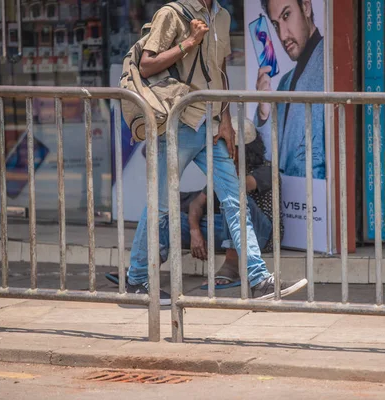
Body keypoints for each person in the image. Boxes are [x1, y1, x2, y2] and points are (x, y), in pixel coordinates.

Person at [127, 0, 305, 305]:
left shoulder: (221, 15)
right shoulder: (171, 13)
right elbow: (146, 64)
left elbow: (219, 71)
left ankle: (259, 278)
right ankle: (138, 279)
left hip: (209, 125)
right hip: (177, 123)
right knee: (161, 207)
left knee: (235, 199)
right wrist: (189, 42)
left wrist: (225, 120)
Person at [107, 118, 283, 291]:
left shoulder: (265, 170)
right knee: (168, 219)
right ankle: (144, 271)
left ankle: (232, 265)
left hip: (262, 235)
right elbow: (197, 204)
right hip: (225, 229)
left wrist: (227, 167)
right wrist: (194, 231)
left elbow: (240, 187)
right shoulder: (222, 172)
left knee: (234, 199)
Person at [254, 0, 325, 179]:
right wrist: (264, 111)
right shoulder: (284, 82)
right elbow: (268, 154)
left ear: (306, 7)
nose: (283, 35)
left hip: (319, 193)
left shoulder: (330, 64)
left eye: (287, 15)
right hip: (290, 197)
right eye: (276, 24)